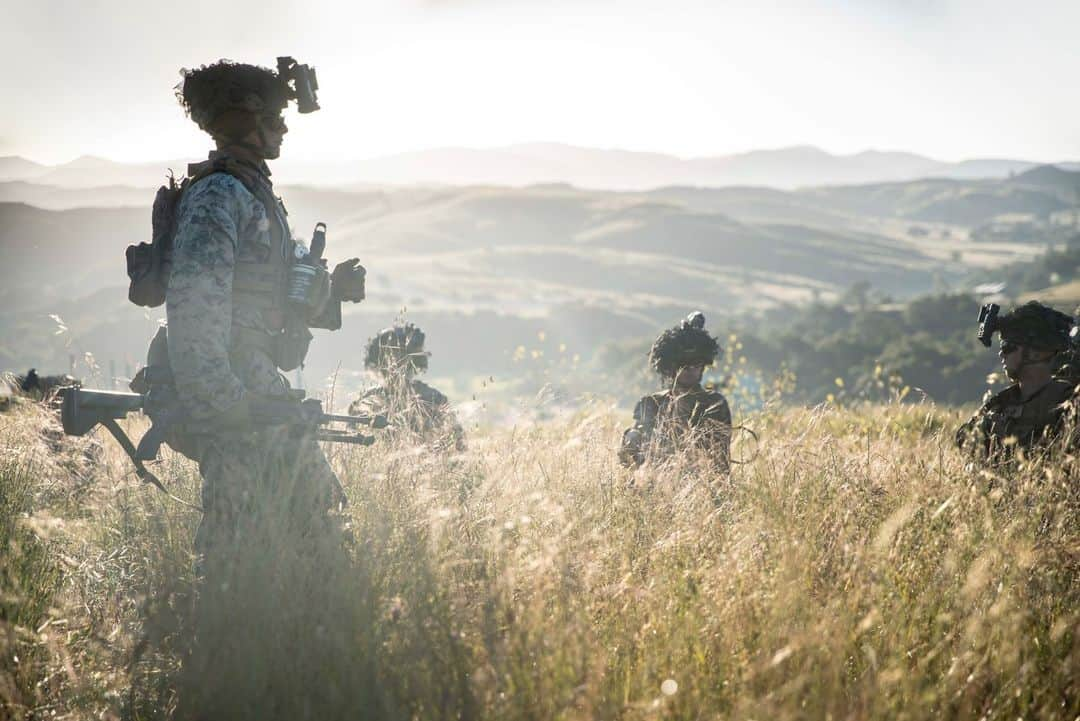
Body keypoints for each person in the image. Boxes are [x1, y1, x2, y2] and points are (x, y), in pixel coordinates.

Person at [156, 58, 368, 718]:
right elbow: (193, 315)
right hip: (242, 406)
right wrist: (229, 414)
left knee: (320, 546)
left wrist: (324, 298)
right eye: (272, 113)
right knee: (234, 574)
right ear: (244, 120)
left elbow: (262, 309)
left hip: (263, 395)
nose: (283, 125)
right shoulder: (221, 196)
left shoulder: (252, 195)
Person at [956, 301, 1077, 462]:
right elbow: (964, 441)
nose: (1001, 354)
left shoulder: (1068, 405)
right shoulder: (1000, 405)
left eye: (1008, 347)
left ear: (1035, 353)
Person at [619, 311, 732, 471]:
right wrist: (633, 440)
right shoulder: (652, 403)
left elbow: (718, 459)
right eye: (684, 365)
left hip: (700, 486)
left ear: (703, 366)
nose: (691, 369)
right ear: (671, 367)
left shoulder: (714, 404)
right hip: (654, 483)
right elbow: (627, 460)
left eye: (697, 364)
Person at [349, 323, 465, 451]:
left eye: (397, 357)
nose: (393, 365)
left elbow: (457, 442)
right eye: (388, 358)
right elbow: (352, 443)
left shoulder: (433, 399)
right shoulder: (367, 401)